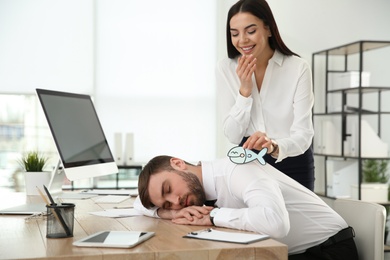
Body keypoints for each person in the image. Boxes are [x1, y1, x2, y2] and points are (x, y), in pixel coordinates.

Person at [134, 155, 358, 259]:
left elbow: (276, 223)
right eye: (166, 202)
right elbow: (138, 203)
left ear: (178, 163)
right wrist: (169, 211)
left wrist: (214, 217)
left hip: (330, 251)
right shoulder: (192, 186)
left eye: (168, 189)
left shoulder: (235, 170)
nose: (175, 200)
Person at [216, 0, 315, 190]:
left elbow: (304, 135)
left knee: (299, 220)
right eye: (234, 33)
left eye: (250, 31)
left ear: (268, 29)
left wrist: (274, 146)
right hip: (249, 165)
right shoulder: (225, 69)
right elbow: (233, 135)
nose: (242, 40)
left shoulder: (298, 68)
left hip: (293, 163)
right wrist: (245, 92)